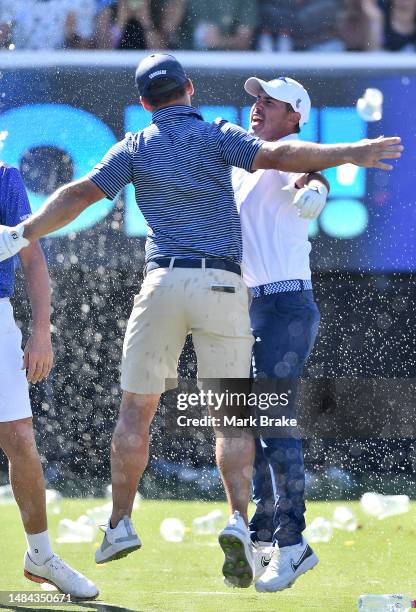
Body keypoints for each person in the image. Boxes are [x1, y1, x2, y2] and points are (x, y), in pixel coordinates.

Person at [0, 53, 402, 589]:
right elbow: (285, 156)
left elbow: (79, 195)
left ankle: (120, 524)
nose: (258, 107)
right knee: (232, 416)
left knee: (136, 411)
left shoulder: (138, 145)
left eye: (268, 102)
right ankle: (240, 520)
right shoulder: (220, 136)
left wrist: (24, 230)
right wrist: (355, 150)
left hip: (166, 282)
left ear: (144, 103)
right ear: (190, 89)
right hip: (225, 288)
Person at [232, 75, 331, 593]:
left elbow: (312, 176)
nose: (258, 107)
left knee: (273, 424)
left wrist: (317, 190)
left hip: (287, 305)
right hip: (261, 308)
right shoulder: (249, 163)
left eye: (270, 102)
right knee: (256, 427)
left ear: (295, 116)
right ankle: (265, 535)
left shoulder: (290, 154)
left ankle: (294, 544)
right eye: (257, 100)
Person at [0, 163, 98, 599]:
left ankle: (39, 554)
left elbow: (31, 254)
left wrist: (41, 331)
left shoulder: (5, 178)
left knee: (21, 439)